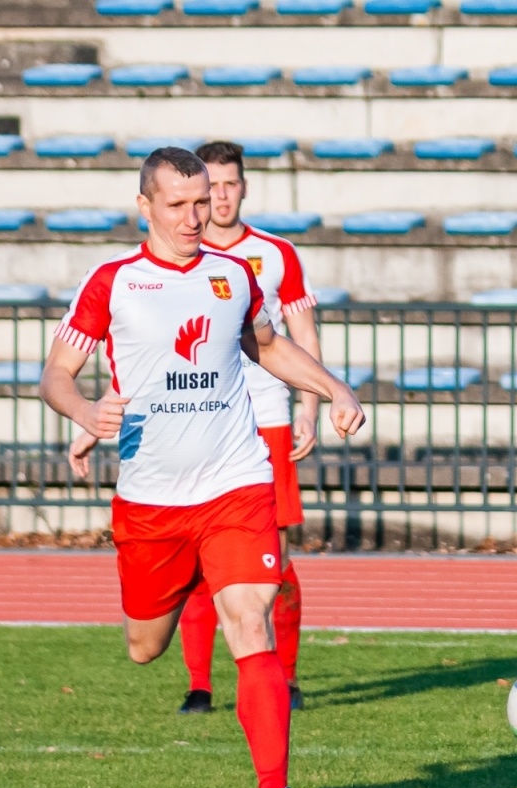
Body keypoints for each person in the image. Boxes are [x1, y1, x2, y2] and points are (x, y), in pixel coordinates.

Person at [44, 147, 364, 788]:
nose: (197, 215)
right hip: (151, 500)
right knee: (143, 646)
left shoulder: (234, 274)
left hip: (235, 483)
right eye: (180, 204)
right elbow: (56, 376)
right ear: (145, 207)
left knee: (250, 624)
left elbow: (267, 346)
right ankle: (179, 593)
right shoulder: (112, 283)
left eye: (202, 201)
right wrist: (82, 414)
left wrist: (332, 387)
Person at [170, 140, 326, 717]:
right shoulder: (179, 259)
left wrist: (309, 405)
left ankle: (283, 678)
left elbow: (301, 334)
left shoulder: (276, 254)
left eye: (231, 183)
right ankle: (199, 685)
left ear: (244, 187)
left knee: (275, 561)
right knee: (196, 561)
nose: (222, 195)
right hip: (201, 419)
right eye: (211, 185)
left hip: (268, 420)